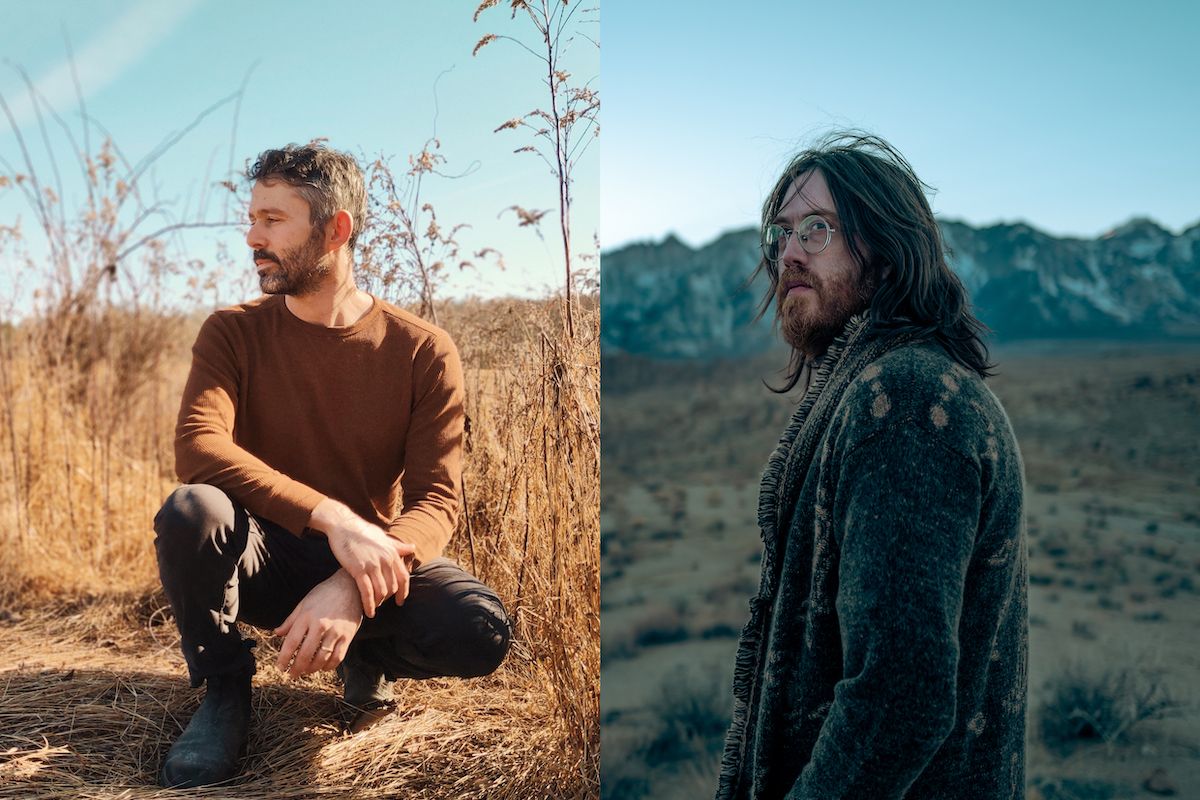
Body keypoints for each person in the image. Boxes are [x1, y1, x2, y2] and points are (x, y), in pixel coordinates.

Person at [153, 143, 511, 789]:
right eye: (252, 218)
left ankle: (365, 656)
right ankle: (224, 693)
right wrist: (332, 519)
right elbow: (199, 447)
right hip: (258, 553)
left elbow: (437, 500)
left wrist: (353, 583)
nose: (252, 237)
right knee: (191, 509)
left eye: (273, 220)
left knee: (479, 627)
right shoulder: (231, 332)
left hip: (366, 560)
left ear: (336, 228)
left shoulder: (422, 350)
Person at [715, 132, 1027, 800]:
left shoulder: (908, 401)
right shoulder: (890, 386)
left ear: (887, 255)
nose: (789, 252)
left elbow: (899, 698)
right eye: (783, 232)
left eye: (818, 228)